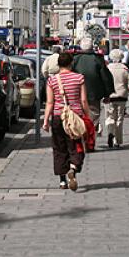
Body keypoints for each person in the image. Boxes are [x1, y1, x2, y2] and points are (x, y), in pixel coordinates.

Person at [42, 52, 89, 191]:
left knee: (59, 149)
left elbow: (50, 102)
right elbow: (84, 100)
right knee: (76, 146)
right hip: (75, 117)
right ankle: (73, 169)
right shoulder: (79, 78)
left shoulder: (52, 81)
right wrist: (88, 116)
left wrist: (45, 121)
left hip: (58, 117)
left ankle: (62, 180)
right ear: (71, 63)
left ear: (58, 64)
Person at [73, 38, 113, 141]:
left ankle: (82, 136)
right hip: (94, 94)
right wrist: (107, 93)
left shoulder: (75, 59)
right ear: (92, 47)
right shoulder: (98, 59)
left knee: (79, 115)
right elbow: (105, 77)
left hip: (77, 94)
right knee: (93, 116)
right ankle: (90, 138)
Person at [105, 49, 129, 148]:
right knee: (120, 118)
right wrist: (128, 91)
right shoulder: (125, 69)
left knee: (110, 116)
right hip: (122, 96)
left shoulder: (107, 68)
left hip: (110, 96)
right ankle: (118, 140)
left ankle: (110, 132)